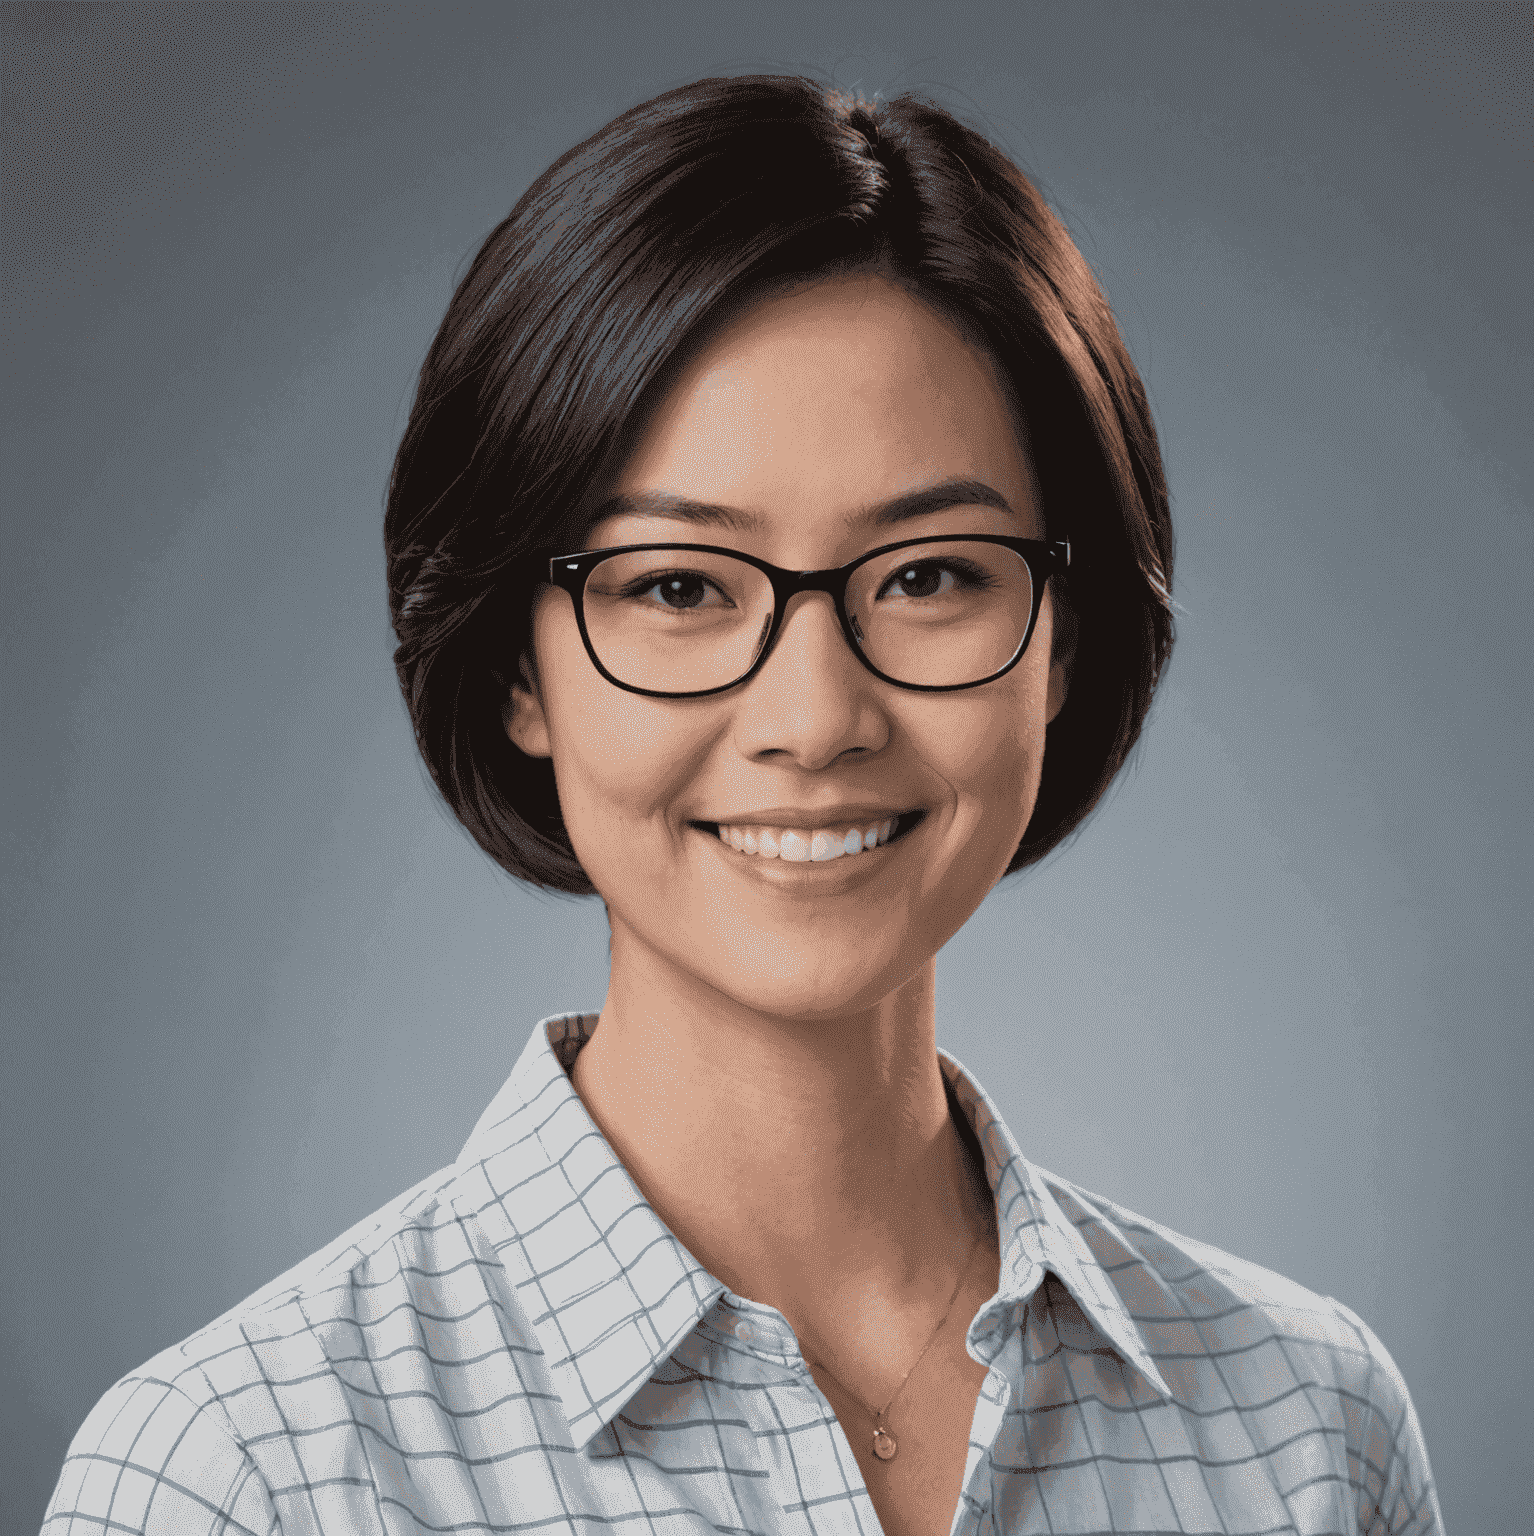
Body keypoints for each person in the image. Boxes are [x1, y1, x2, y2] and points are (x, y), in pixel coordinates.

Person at [43, 75, 1442, 1536]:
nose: (816, 719)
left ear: (1063, 644)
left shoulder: (1307, 1426)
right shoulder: (247, 1475)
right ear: (517, 666)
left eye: (931, 575)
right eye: (677, 589)